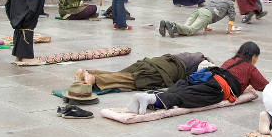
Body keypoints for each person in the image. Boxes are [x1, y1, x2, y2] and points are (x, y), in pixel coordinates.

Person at [127, 42, 268, 113]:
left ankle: (149, 96)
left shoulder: (231, 61)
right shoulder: (250, 68)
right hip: (218, 88)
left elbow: (233, 76)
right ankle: (150, 99)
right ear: (254, 56)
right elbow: (265, 86)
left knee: (184, 88)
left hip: (210, 77)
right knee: (188, 97)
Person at [75, 52, 209, 92]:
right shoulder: (204, 63)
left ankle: (87, 72)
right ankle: (94, 79)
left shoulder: (191, 56)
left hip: (153, 61)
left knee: (121, 73)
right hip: (161, 71)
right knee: (132, 80)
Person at [160, 0, 236, 37]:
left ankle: (167, 26)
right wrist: (229, 30)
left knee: (185, 29)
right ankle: (172, 25)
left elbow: (211, 9)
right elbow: (232, 16)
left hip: (199, 11)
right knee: (190, 31)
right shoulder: (230, 3)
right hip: (206, 15)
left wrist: (205, 27)